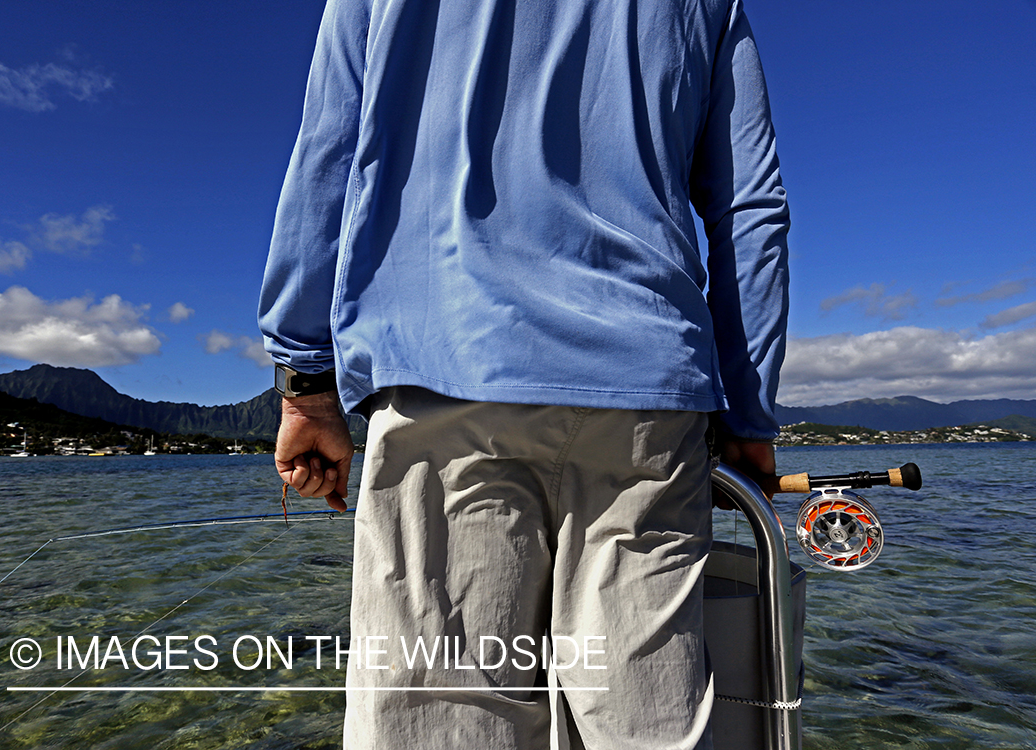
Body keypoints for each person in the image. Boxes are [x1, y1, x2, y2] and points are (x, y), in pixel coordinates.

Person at [258, 0, 789, 746]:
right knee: (650, 724)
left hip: (446, 379)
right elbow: (748, 207)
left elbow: (328, 158)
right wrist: (749, 413)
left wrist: (305, 381)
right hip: (644, 397)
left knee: (445, 721)